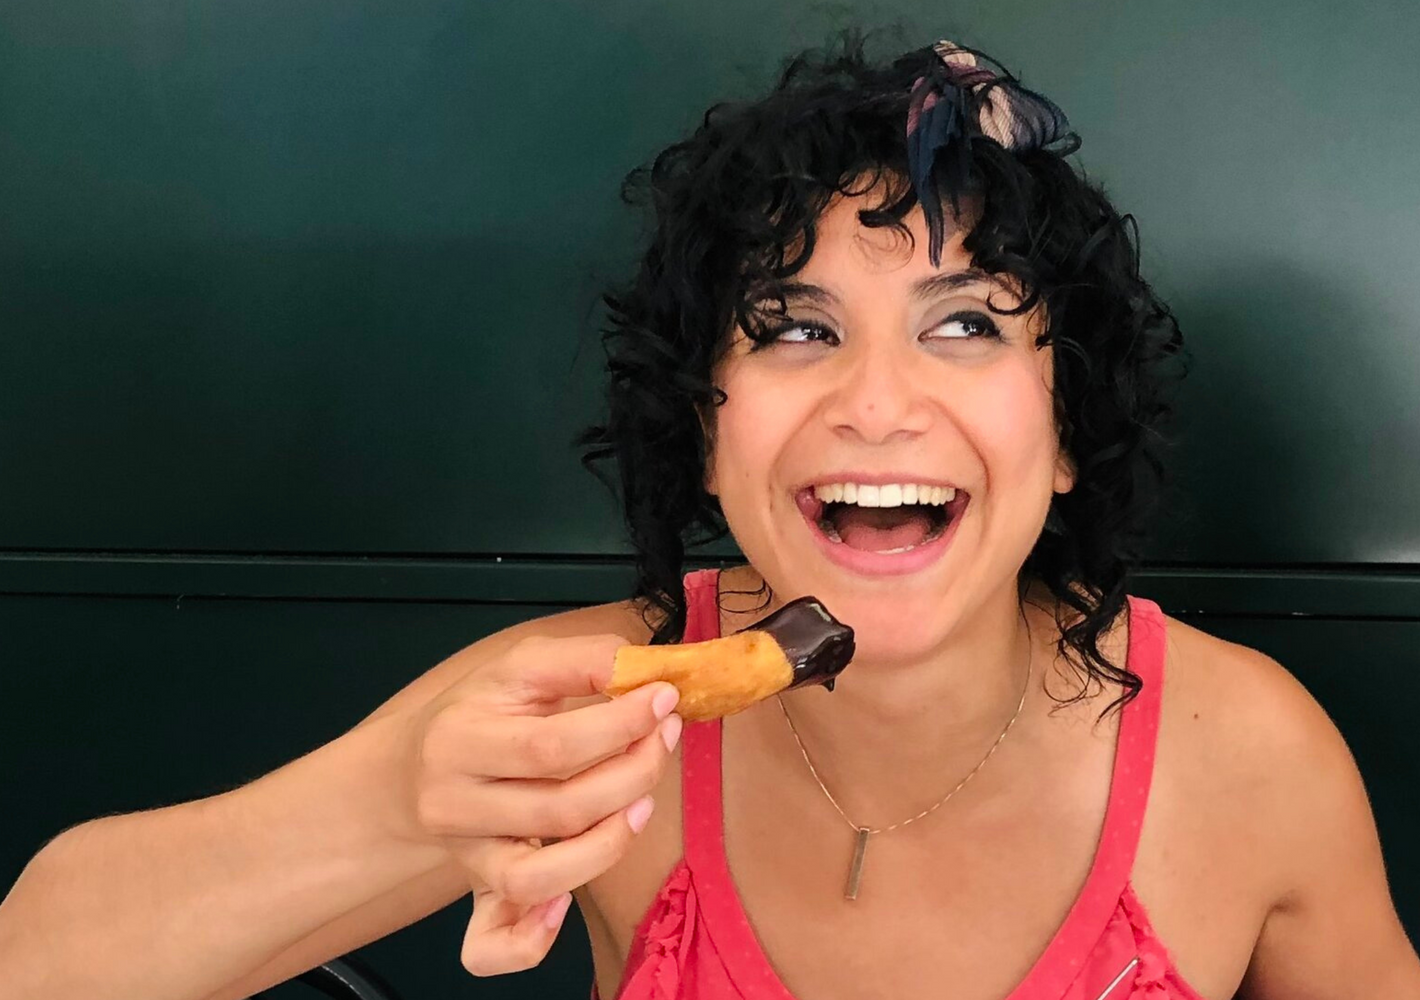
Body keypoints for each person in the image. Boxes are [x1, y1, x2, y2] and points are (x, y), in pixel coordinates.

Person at [2, 32, 1417, 1000]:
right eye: (795, 327)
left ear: (1065, 434)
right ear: (703, 428)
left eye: (967, 323)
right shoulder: (586, 708)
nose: (878, 403)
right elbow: (42, 961)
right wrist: (395, 806)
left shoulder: (1248, 755)